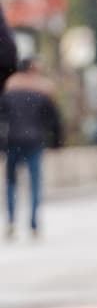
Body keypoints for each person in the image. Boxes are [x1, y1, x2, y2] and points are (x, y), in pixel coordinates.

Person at [0, 58, 62, 239]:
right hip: (35, 141)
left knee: (11, 182)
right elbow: (54, 120)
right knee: (35, 183)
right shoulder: (42, 91)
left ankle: (11, 220)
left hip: (12, 140)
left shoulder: (9, 90)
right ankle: (34, 224)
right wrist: (57, 142)